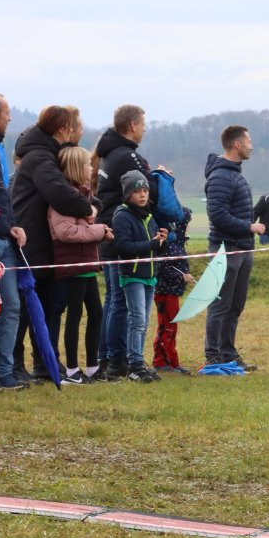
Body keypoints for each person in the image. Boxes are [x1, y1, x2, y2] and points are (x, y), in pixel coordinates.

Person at [11, 106, 93, 377]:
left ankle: (44, 362)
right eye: (73, 126)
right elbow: (60, 193)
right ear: (62, 129)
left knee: (49, 306)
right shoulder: (40, 158)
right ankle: (14, 364)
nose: (76, 130)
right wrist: (87, 208)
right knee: (24, 308)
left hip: (44, 242)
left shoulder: (46, 154)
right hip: (30, 240)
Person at [95, 104, 158, 380]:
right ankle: (119, 360)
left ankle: (107, 358)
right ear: (132, 125)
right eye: (143, 124)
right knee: (120, 302)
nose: (144, 129)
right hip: (122, 233)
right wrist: (159, 178)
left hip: (109, 232)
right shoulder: (127, 156)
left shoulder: (110, 152)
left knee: (113, 300)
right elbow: (151, 191)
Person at [48, 146, 111, 384]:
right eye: (86, 164)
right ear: (75, 168)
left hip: (86, 263)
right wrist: (99, 231)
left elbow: (85, 226)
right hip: (73, 264)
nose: (90, 168)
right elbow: (66, 232)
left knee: (96, 313)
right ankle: (73, 371)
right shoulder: (64, 199)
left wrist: (100, 232)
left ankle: (92, 368)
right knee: (75, 315)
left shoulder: (82, 197)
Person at [203, 126, 263, 371]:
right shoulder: (220, 177)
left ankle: (228, 354)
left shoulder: (235, 174)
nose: (251, 146)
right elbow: (217, 215)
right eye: (248, 141)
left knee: (235, 305)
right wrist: (249, 226)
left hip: (243, 248)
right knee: (220, 305)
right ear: (237, 144)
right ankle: (214, 357)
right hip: (225, 250)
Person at [112, 171, 167, 383]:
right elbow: (123, 247)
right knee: (137, 320)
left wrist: (161, 241)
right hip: (133, 275)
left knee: (143, 321)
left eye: (145, 190)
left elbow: (153, 246)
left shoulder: (148, 215)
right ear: (128, 194)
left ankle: (139, 362)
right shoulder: (122, 216)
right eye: (137, 191)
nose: (143, 195)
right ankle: (134, 365)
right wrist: (152, 244)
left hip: (149, 275)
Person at [0, 94, 29, 390]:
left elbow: (3, 197)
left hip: (5, 240)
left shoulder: (0, 149)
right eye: (6, 112)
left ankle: (4, 373)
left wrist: (12, 227)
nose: (9, 118)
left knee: (12, 306)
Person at [152, 206, 194, 373]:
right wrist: (181, 277)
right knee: (167, 327)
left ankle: (171, 362)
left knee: (172, 326)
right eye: (188, 223)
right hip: (165, 292)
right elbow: (162, 268)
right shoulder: (170, 245)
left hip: (173, 292)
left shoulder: (178, 244)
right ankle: (162, 362)